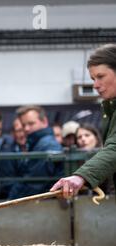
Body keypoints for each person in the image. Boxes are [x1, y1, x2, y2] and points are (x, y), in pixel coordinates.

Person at [51, 44, 116, 198]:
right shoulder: (110, 108)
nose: (95, 85)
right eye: (93, 79)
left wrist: (81, 176)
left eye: (100, 76)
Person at [8, 105, 63, 199]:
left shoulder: (46, 145)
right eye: (24, 125)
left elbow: (34, 184)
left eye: (31, 123)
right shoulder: (38, 144)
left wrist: (12, 201)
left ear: (44, 121)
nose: (26, 129)